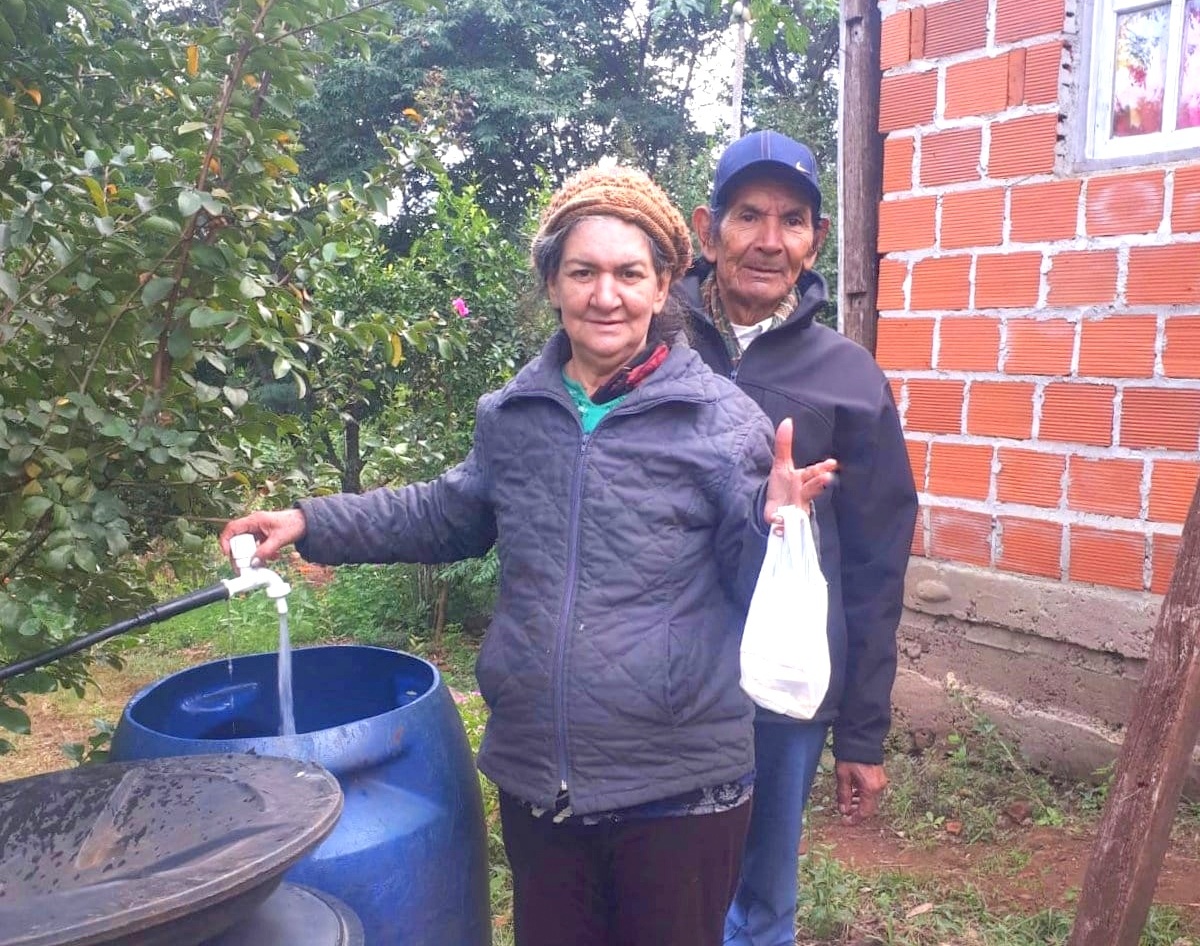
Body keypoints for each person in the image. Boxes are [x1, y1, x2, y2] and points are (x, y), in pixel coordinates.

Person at [220, 165, 836, 946]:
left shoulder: (719, 419)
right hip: (541, 779)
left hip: (678, 788)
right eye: (582, 271)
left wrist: (774, 526)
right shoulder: (515, 414)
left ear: (662, 287)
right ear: (552, 282)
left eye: (627, 273)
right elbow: (445, 514)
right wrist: (309, 522)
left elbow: (756, 594)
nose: (604, 295)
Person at [676, 130, 919, 946]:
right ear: (707, 229)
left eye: (792, 219)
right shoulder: (649, 343)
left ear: (816, 238)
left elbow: (880, 562)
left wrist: (861, 731)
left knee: (760, 896)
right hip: (659, 672)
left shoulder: (849, 377)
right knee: (659, 884)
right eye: (749, 216)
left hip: (782, 685)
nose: (769, 241)